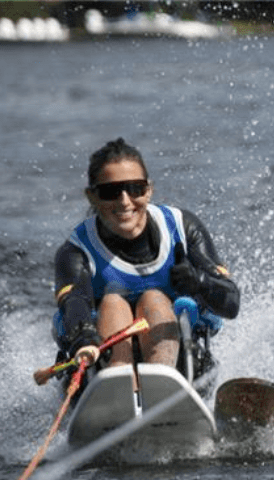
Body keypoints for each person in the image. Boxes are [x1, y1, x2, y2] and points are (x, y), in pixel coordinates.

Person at [53, 137, 240, 375]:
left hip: (179, 358)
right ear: (92, 196)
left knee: (153, 298)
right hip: (103, 356)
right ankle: (119, 386)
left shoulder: (183, 228)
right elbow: (74, 301)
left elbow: (232, 303)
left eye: (134, 189)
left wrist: (199, 281)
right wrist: (83, 337)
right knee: (112, 302)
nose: (124, 201)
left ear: (149, 190)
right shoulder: (75, 250)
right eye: (110, 192)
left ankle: (160, 382)